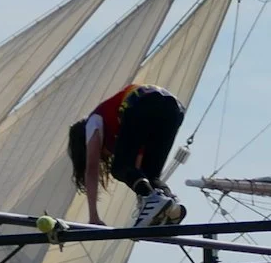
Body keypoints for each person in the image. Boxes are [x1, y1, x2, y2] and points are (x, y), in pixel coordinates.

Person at [67, 83, 187, 228]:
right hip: (173, 109)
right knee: (151, 175)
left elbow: (91, 168)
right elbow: (138, 170)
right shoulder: (123, 129)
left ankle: (155, 201)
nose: (105, 156)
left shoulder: (93, 122)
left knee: (119, 167)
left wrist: (94, 216)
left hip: (144, 101)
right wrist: (148, 207)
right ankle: (172, 207)